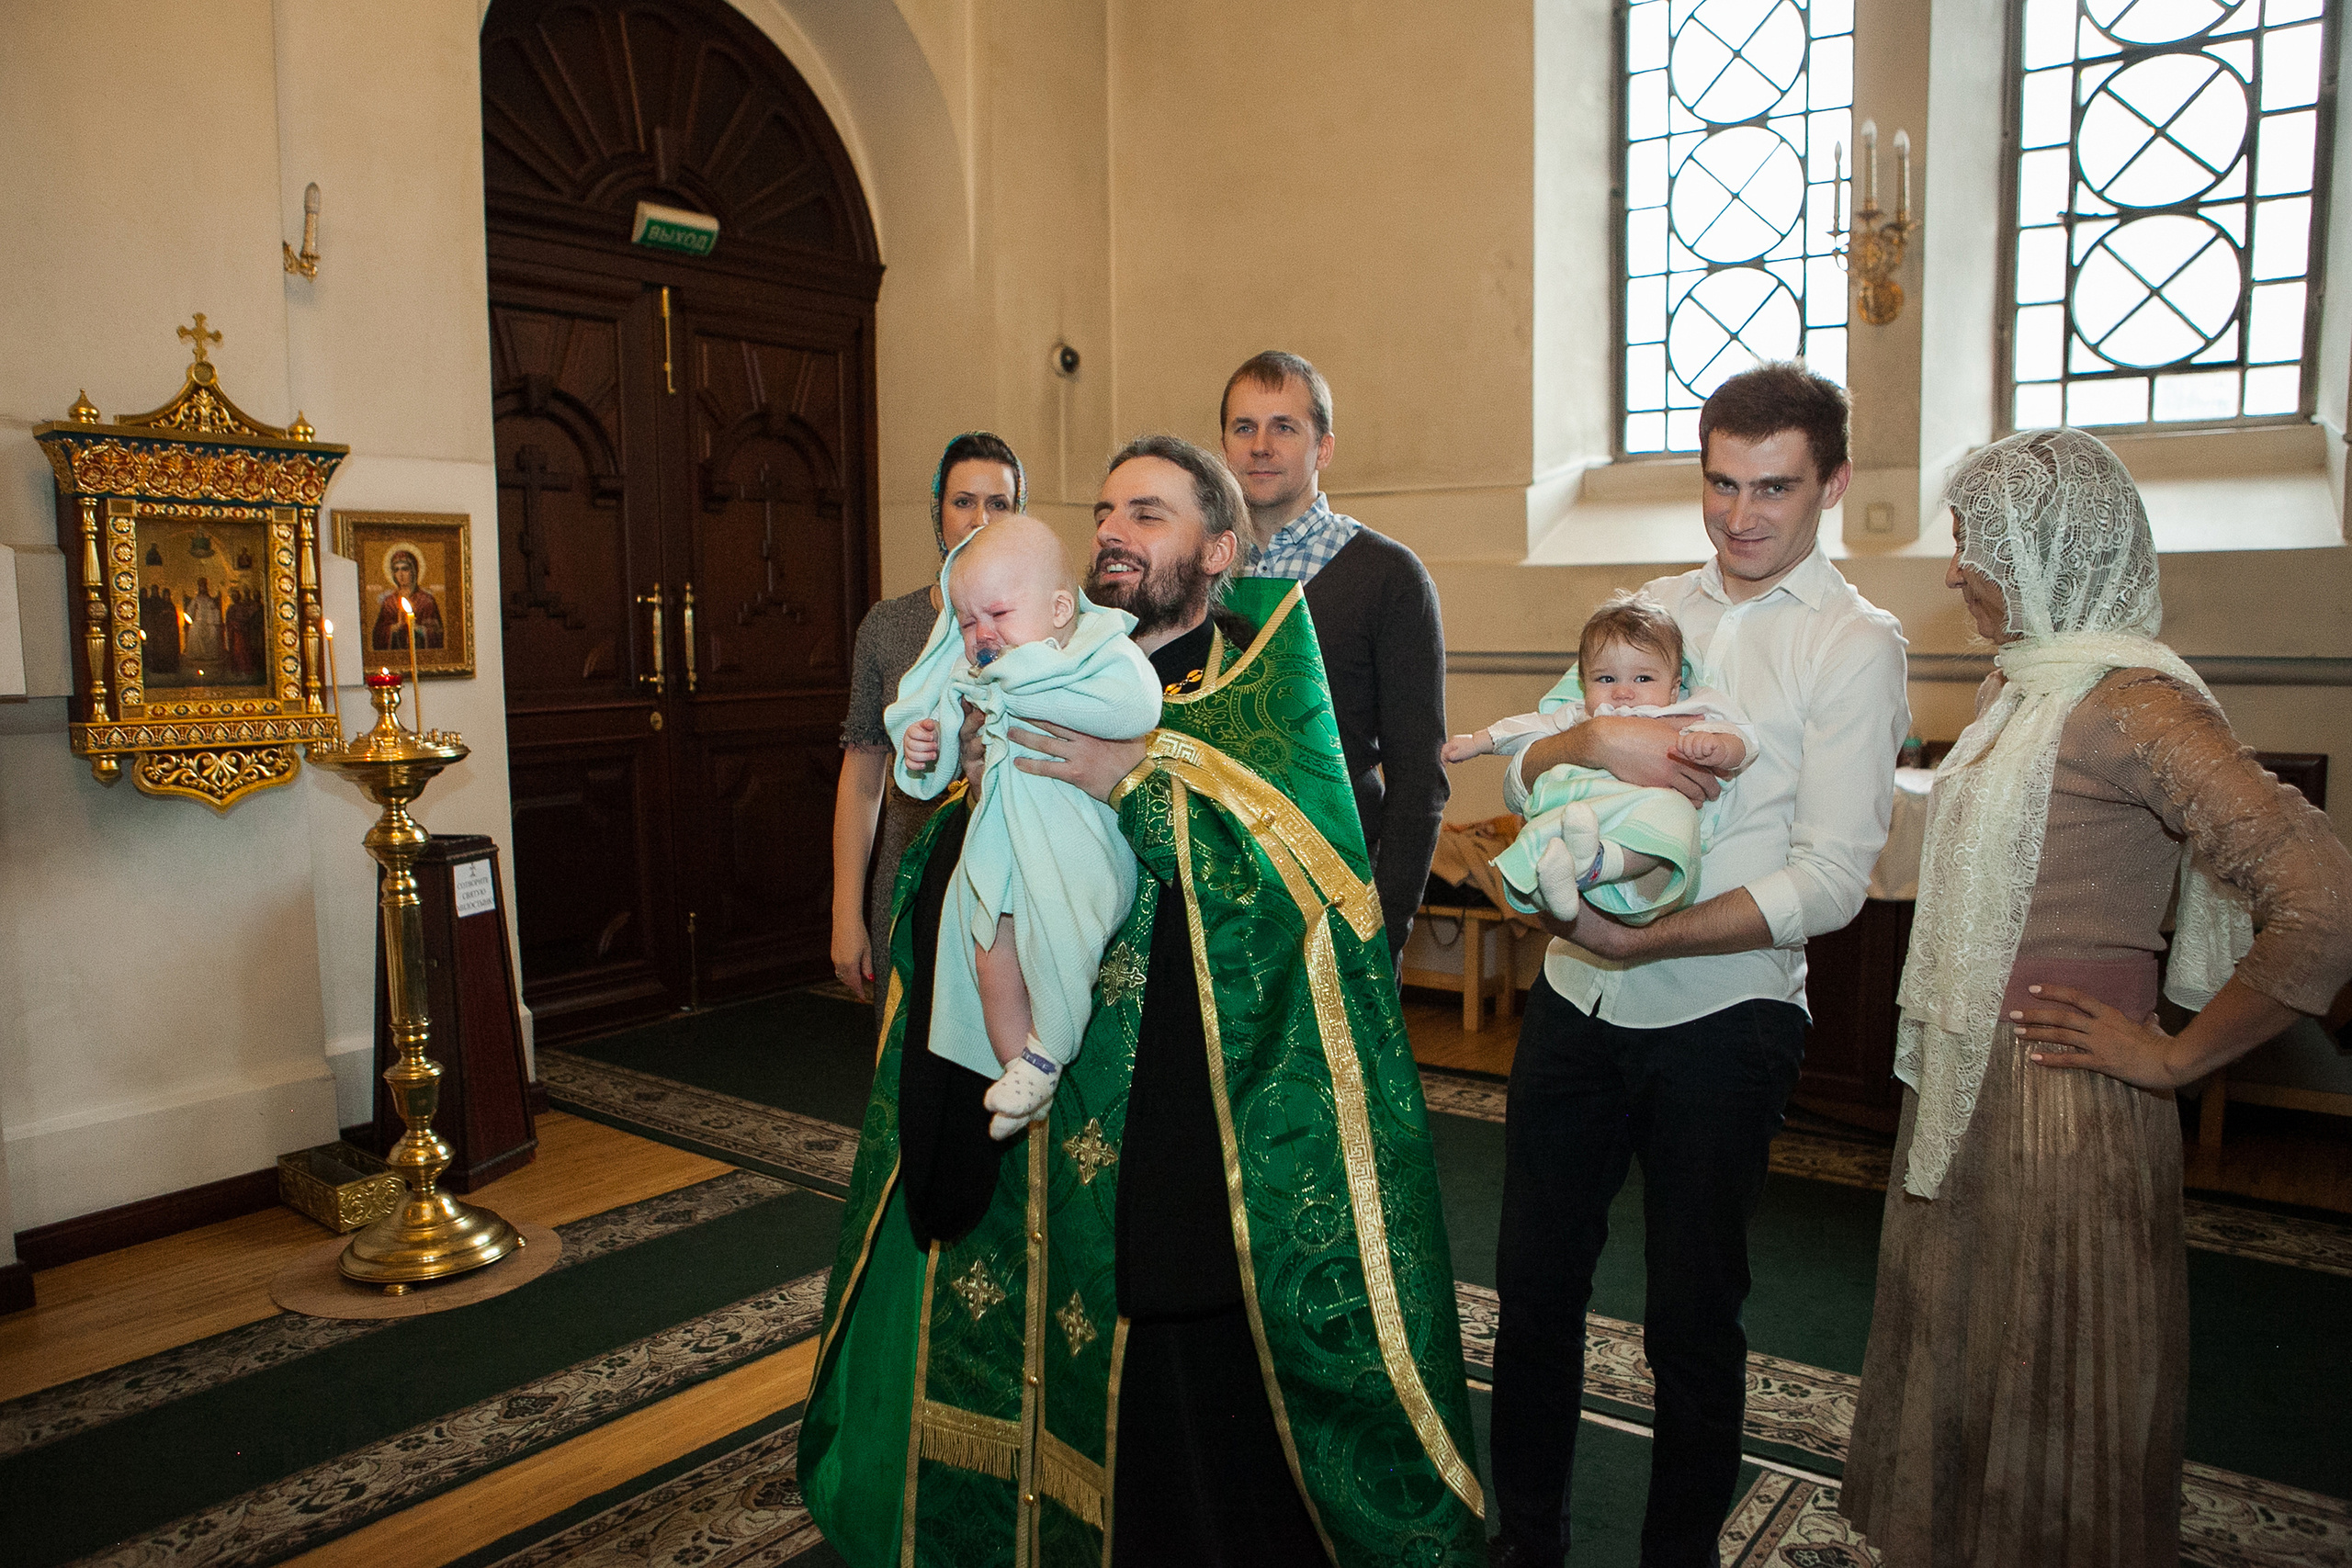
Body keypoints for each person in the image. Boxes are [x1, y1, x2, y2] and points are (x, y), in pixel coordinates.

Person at [801, 434, 1487, 1567]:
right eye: (1108, 510)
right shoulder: (1029, 669)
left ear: (1220, 549)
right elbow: (945, 850)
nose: (1117, 529)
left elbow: (1311, 899)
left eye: (1152, 514)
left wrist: (1132, 785)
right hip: (1021, 1118)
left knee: (1169, 1445)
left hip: (1172, 1144)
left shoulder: (1264, 695)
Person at [1838, 429, 2352, 1568]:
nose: (1956, 568)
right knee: (1979, 1352)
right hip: (1975, 1076)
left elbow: (2320, 896)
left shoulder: (2130, 704)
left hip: (2060, 1099)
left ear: (2037, 549)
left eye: (1972, 541)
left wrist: (2174, 1057)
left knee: (2052, 1367)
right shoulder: (2026, 687)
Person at [1486, 363, 1909, 1568]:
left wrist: (1649, 933)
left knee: (1689, 1315)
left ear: (1831, 482)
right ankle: (1528, 1539)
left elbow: (1832, 880)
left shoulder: (1854, 644)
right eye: (1720, 484)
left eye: (1772, 487)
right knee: (1535, 1288)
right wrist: (1584, 735)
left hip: (1726, 1021)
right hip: (1576, 1003)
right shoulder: (1647, 607)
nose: (1740, 517)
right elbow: (1524, 770)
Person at [887, 516, 1161, 1139]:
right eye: (967, 622)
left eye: (999, 614)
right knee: (990, 957)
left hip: (1074, 846)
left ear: (1059, 607)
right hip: (1003, 840)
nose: (982, 636)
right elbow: (935, 752)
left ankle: (1048, 1048)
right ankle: (1022, 1068)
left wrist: (1019, 690)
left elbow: (1135, 707)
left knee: (1061, 944)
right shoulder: (976, 672)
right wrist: (924, 746)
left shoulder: (1094, 647)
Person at [1222, 350, 1447, 961]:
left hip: (1335, 900)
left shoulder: (1387, 575)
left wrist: (1384, 926)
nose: (1260, 446)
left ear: (1322, 449)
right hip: (1212, 900)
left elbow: (1419, 778)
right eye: (1244, 428)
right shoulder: (1196, 573)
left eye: (1283, 427)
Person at [831, 434, 1023, 1005]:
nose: (980, 520)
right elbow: (863, 775)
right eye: (963, 502)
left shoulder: (1047, 625)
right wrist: (847, 913)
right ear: (938, 514)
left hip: (1014, 879)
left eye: (999, 504)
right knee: (908, 1066)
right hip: (909, 872)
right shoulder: (889, 627)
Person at [1446, 591, 1754, 926]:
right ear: (1584, 682)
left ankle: (1593, 866)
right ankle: (1555, 883)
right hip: (1585, 808)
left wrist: (1718, 746)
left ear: (1674, 686)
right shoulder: (1582, 715)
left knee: (1675, 813)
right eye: (1606, 679)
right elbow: (1531, 727)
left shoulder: (1689, 710)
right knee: (1551, 806)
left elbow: (1742, 736)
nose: (1623, 691)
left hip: (1642, 826)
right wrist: (1479, 741)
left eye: (1643, 678)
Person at [370, 550, 445, 650]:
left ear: (413, 571)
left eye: (405, 569)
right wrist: (395, 627)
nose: (400, 574)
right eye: (396, 570)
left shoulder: (427, 601)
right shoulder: (389, 602)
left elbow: (437, 634)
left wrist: (418, 629)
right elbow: (378, 634)